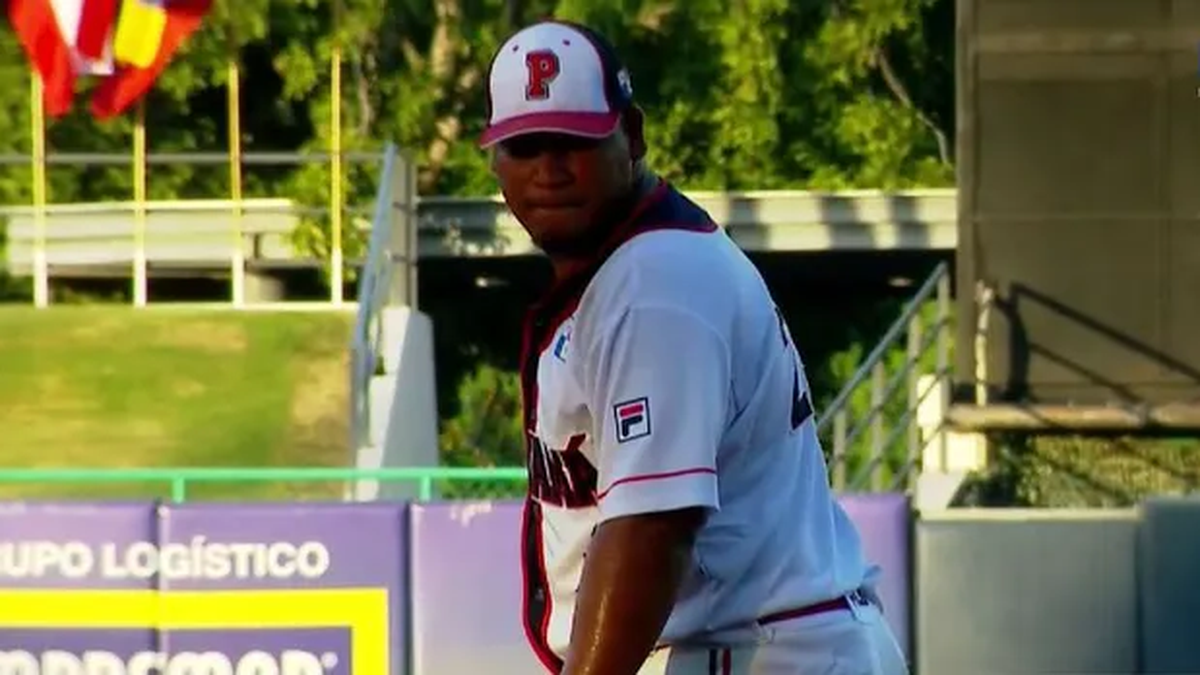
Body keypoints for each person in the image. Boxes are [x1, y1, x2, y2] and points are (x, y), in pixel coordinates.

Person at [479, 18, 911, 675]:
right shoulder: (632, 269)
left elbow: (653, 527)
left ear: (633, 135)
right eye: (526, 145)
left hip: (761, 651)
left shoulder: (654, 284)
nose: (549, 169)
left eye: (574, 140)